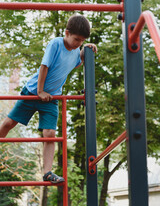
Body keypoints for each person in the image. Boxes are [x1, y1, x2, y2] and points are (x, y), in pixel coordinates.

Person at [0, 14, 97, 183]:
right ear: (67, 33)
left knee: (50, 133)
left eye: (82, 40)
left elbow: (76, 61)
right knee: (9, 123)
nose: (78, 43)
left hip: (52, 97)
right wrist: (40, 91)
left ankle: (47, 172)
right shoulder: (56, 44)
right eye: (77, 39)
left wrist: (86, 50)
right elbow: (44, 66)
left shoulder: (76, 51)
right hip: (33, 92)